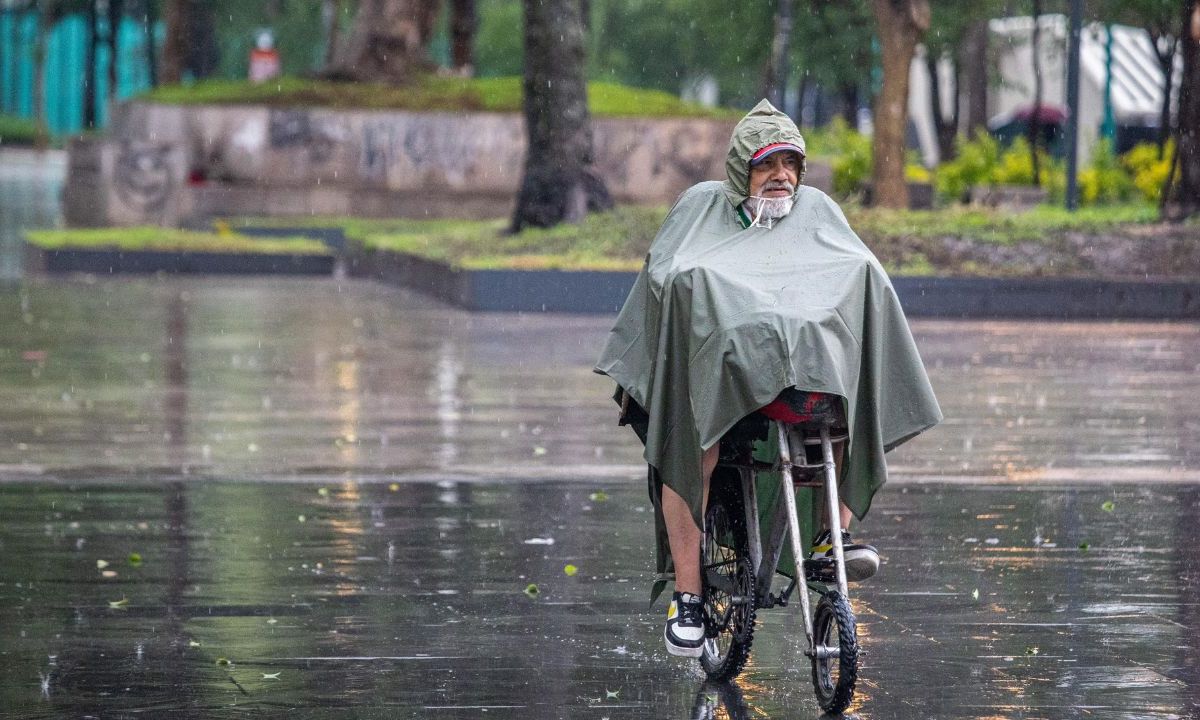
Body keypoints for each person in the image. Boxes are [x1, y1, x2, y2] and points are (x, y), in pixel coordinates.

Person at [595, 100, 942, 658]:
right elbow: (670, 278)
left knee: (851, 406)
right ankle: (688, 595)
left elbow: (858, 274)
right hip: (718, 383)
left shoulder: (817, 212)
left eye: (791, 163)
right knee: (693, 445)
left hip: (808, 381)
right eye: (767, 163)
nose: (782, 175)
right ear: (740, 171)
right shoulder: (700, 210)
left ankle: (833, 535)